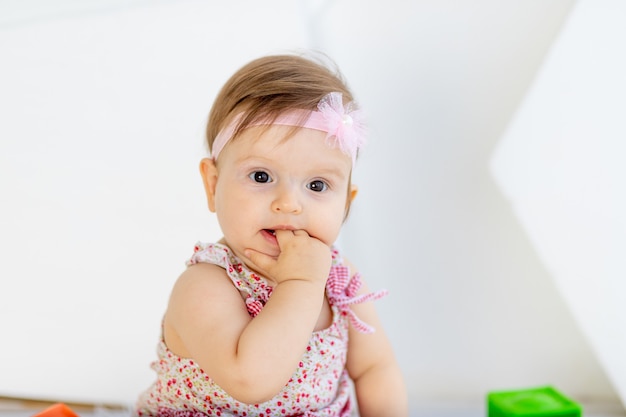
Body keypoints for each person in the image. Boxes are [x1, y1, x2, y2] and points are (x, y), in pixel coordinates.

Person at [135, 52, 408, 417]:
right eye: (261, 177)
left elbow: (376, 368)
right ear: (212, 184)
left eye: (317, 184)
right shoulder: (205, 286)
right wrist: (301, 282)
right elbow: (252, 381)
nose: (289, 203)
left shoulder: (341, 282)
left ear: (346, 203)